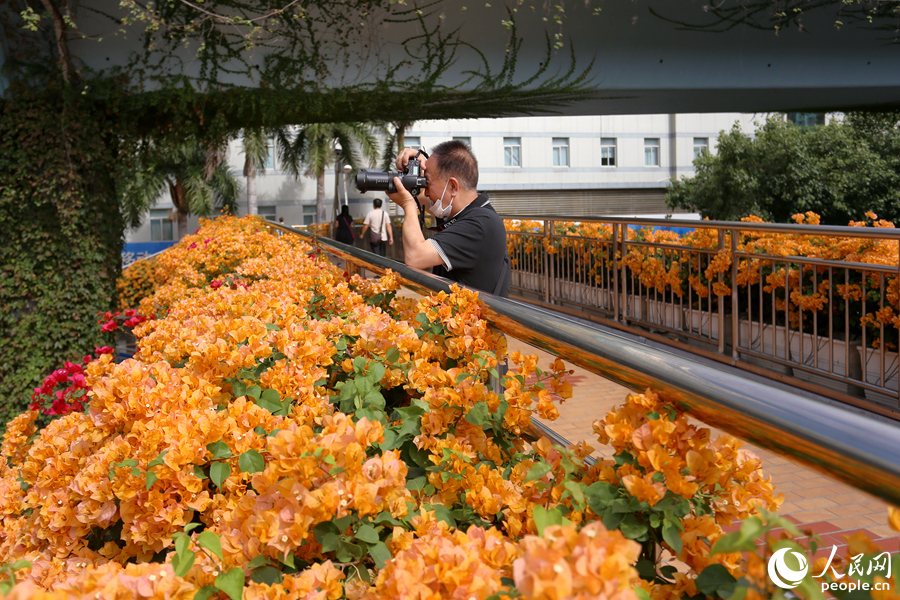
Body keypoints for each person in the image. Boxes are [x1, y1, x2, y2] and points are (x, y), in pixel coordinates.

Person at [386, 140, 511, 297]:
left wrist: (407, 203)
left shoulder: (479, 223)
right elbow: (422, 198)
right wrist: (419, 169)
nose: (425, 192)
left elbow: (415, 256)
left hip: (471, 320)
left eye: (427, 182)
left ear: (453, 186)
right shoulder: (465, 213)